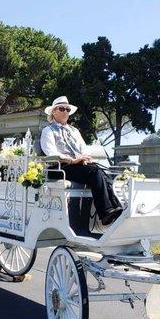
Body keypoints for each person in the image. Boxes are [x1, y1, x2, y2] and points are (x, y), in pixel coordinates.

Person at [40, 96, 123, 226]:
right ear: (53, 112)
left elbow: (84, 148)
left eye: (67, 109)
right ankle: (106, 211)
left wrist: (85, 157)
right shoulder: (48, 130)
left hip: (77, 166)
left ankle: (115, 208)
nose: (65, 112)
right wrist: (73, 160)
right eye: (62, 109)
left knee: (101, 172)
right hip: (60, 167)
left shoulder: (74, 130)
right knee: (95, 171)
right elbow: (51, 152)